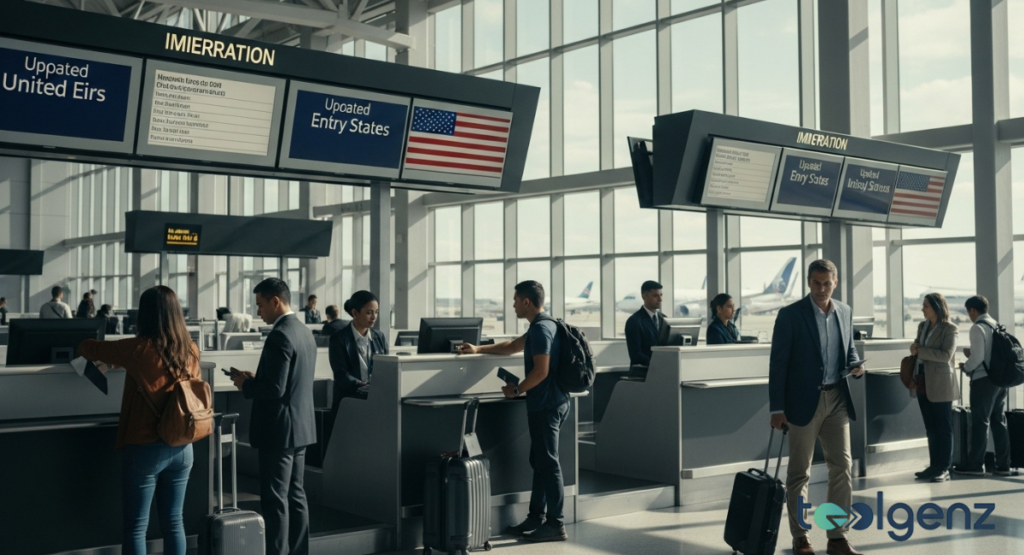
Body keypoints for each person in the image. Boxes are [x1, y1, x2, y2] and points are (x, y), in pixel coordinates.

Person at [77, 286, 200, 555]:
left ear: (144, 314)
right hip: (183, 445)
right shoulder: (190, 349)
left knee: (135, 527)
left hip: (147, 444)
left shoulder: (137, 348)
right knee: (174, 522)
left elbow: (89, 348)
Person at [458, 281, 569, 543]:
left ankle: (556, 523)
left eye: (516, 300)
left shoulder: (541, 330)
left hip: (546, 404)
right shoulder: (545, 325)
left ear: (526, 302)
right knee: (541, 461)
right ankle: (536, 517)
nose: (513, 304)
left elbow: (540, 371)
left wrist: (517, 390)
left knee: (548, 463)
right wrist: (478, 349)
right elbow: (511, 346)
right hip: (553, 402)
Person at [769, 259, 864, 555]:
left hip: (837, 397)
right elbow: (778, 364)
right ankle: (801, 536)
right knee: (800, 472)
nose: (821, 289)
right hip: (801, 402)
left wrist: (856, 365)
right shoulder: (790, 315)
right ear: (809, 283)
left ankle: (836, 536)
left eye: (827, 283)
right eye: (816, 283)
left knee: (842, 467)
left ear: (835, 283)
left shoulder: (845, 312)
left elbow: (848, 351)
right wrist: (777, 408)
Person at [230, 278, 315, 555]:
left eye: (260, 305)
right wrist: (258, 378)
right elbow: (288, 382)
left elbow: (275, 389)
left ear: (275, 301)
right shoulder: (303, 331)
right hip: (300, 428)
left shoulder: (280, 334)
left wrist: (246, 385)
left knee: (275, 500)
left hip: (279, 430)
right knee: (296, 496)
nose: (258, 313)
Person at [952, 295, 1015, 477]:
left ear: (973, 310)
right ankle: (1004, 465)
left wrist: (967, 367)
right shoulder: (997, 326)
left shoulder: (977, 328)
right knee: (998, 421)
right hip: (1000, 381)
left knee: (980, 422)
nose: (968, 316)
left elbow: (978, 357)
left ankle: (976, 464)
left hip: (983, 381)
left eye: (968, 312)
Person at [908, 293, 959, 483]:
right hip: (922, 380)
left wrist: (920, 350)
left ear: (937, 307)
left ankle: (944, 467)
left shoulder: (950, 329)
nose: (922, 309)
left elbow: (946, 355)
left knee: (943, 427)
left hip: (941, 383)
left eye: (926, 305)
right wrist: (915, 347)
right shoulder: (922, 326)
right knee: (930, 427)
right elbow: (919, 348)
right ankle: (934, 465)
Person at [624, 280, 663, 369]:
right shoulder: (634, 321)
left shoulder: (664, 319)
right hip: (643, 372)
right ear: (644, 297)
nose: (660, 299)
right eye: (655, 296)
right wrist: (657, 364)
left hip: (663, 371)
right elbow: (635, 355)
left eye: (661, 295)